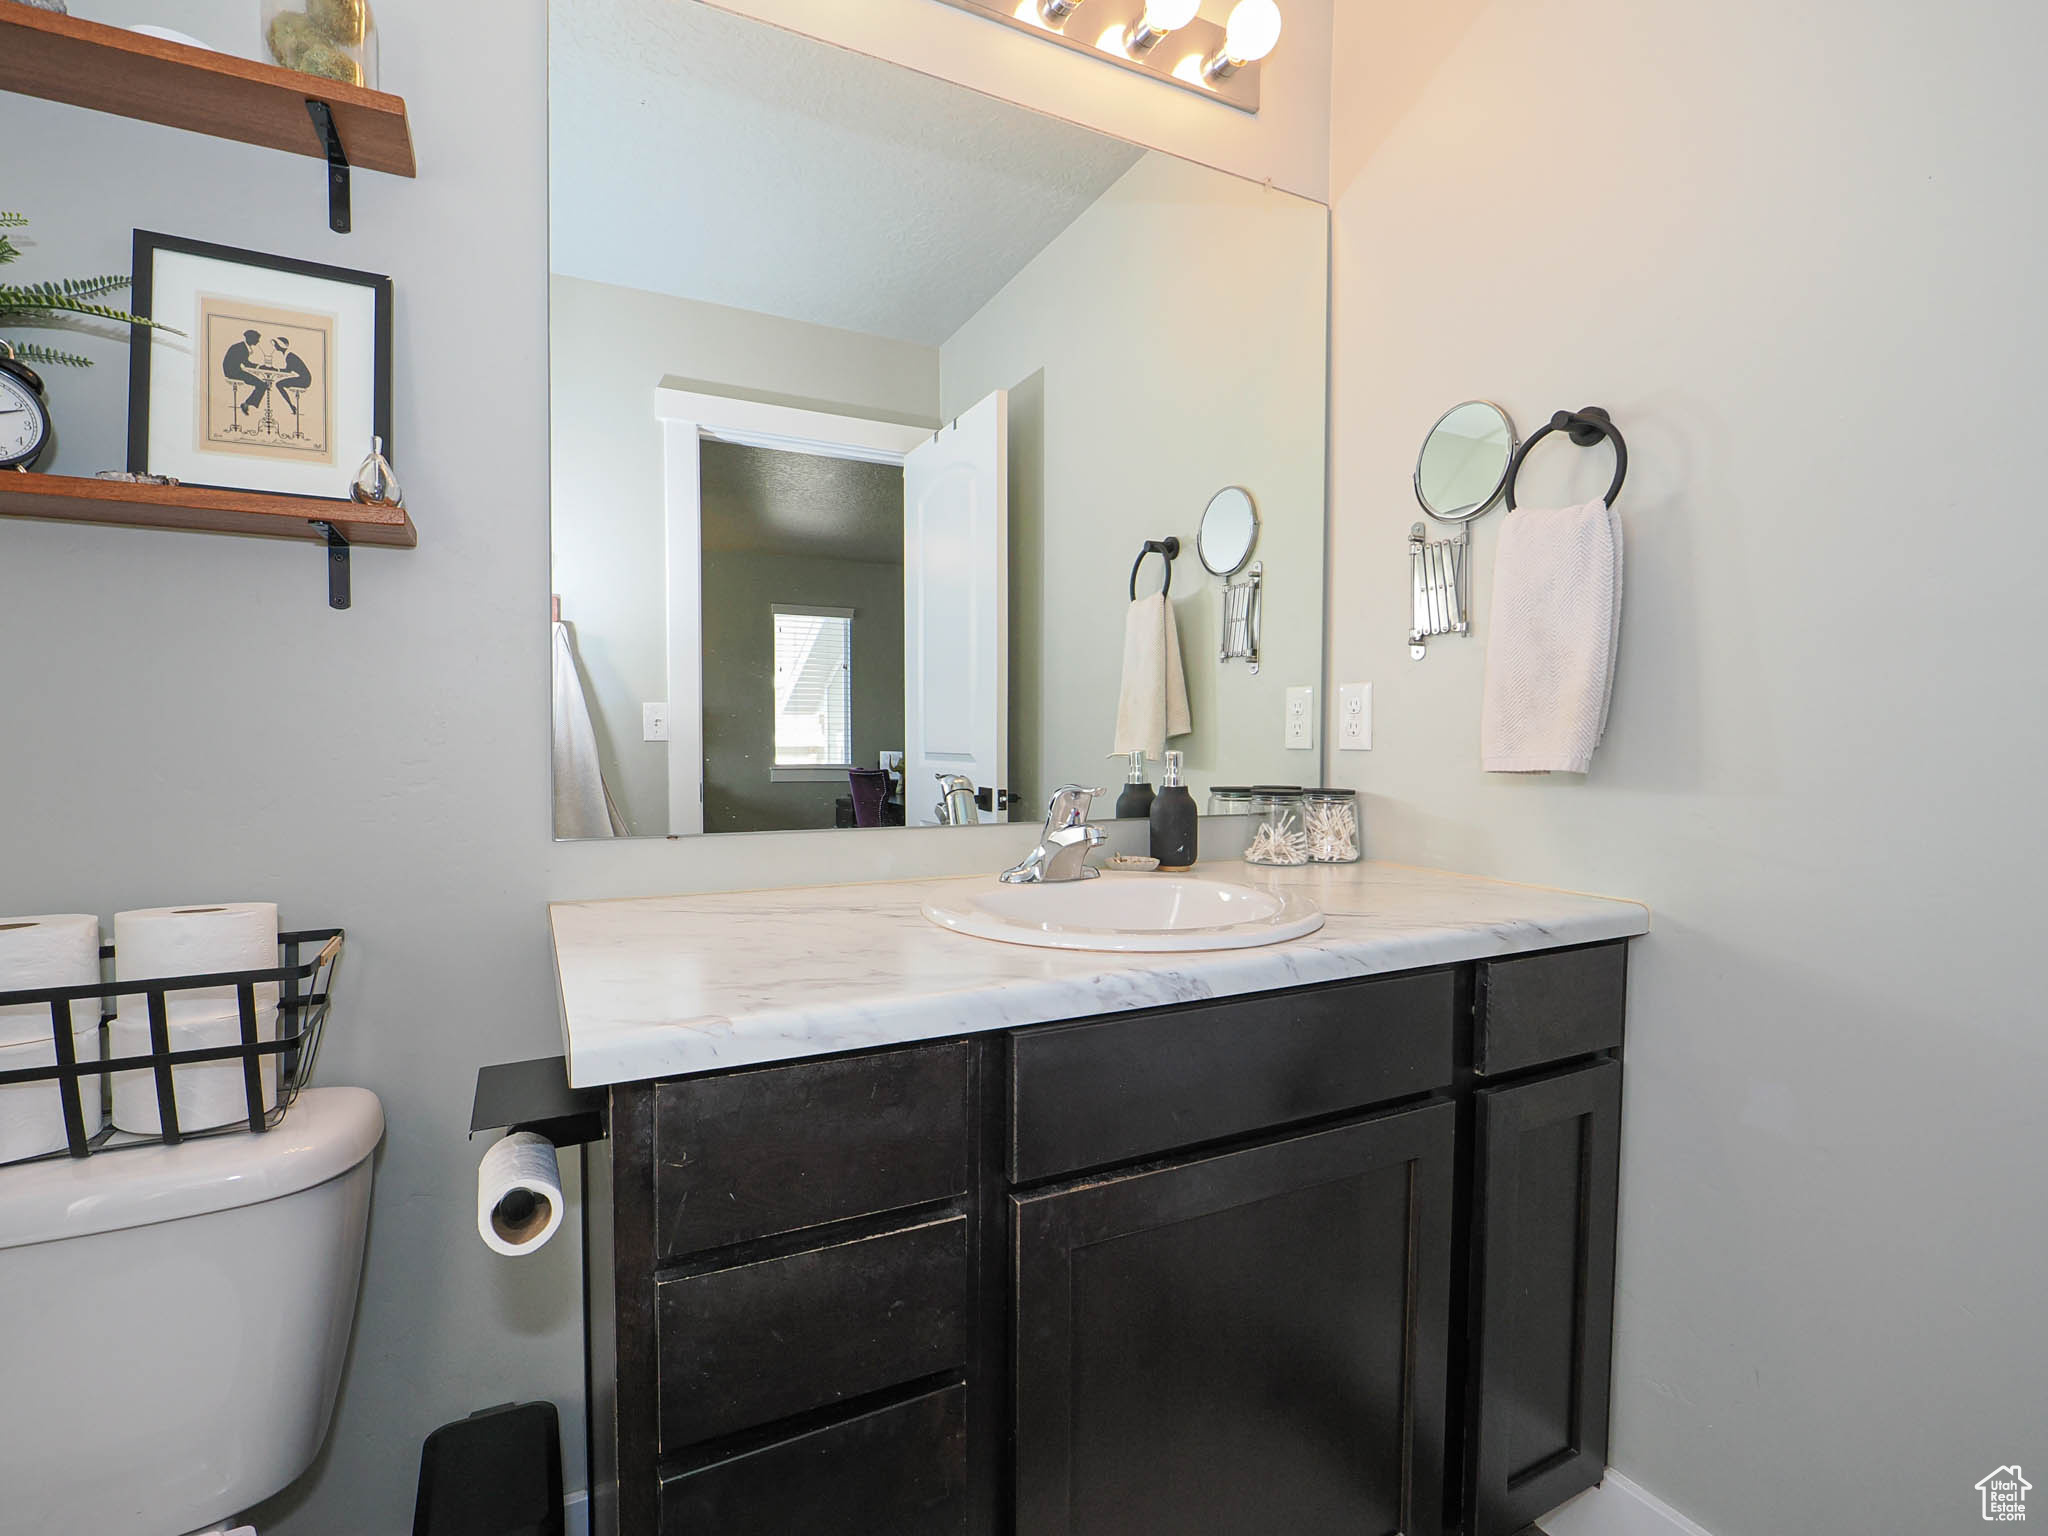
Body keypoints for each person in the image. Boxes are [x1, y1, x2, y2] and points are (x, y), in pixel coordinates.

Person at [221, 329, 271, 415]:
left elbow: (245, 363)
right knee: (262, 385)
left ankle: (247, 404)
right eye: (257, 339)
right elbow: (246, 364)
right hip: (233, 372)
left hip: (235, 370)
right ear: (250, 338)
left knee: (262, 385)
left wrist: (259, 367)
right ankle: (246, 404)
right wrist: (260, 367)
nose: (258, 341)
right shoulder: (241, 348)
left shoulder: (243, 346)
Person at [270, 337, 313, 426]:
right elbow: (288, 370)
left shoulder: (290, 356)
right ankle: (291, 406)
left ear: (280, 345)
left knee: (279, 384)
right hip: (303, 378)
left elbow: (288, 371)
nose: (275, 347)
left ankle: (291, 406)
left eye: (276, 344)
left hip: (304, 380)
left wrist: (276, 370)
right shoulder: (288, 355)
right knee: (279, 384)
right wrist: (277, 370)